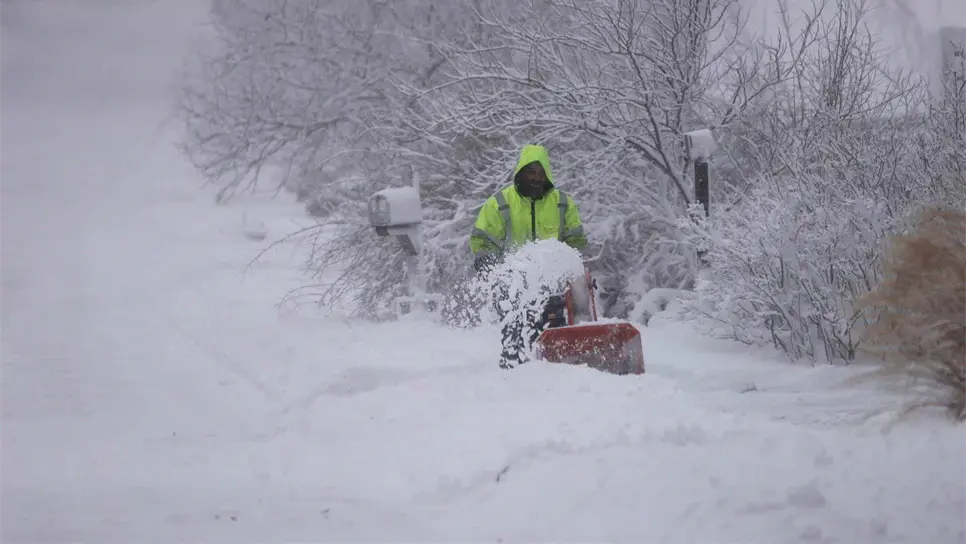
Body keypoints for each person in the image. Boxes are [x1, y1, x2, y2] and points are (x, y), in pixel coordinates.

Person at [469, 144, 588, 368]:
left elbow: (576, 242)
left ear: (547, 175)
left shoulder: (562, 203)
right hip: (513, 287)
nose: (536, 178)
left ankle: (558, 371)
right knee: (517, 336)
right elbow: (483, 240)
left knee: (555, 335)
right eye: (531, 172)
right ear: (521, 172)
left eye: (541, 173)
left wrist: (573, 263)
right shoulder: (501, 204)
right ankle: (515, 374)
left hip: (553, 285)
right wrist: (487, 262)